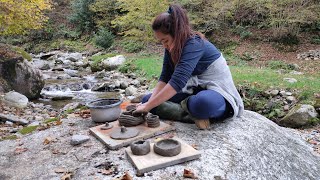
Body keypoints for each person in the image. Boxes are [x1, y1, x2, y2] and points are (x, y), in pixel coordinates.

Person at [133, 4, 244, 129]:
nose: (164, 45)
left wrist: (148, 107)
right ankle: (190, 112)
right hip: (192, 89)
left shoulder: (194, 43)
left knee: (202, 103)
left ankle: (187, 110)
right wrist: (148, 104)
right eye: (161, 42)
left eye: (165, 40)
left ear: (176, 33)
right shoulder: (171, 47)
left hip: (217, 91)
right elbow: (165, 77)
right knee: (147, 99)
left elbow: (177, 82)